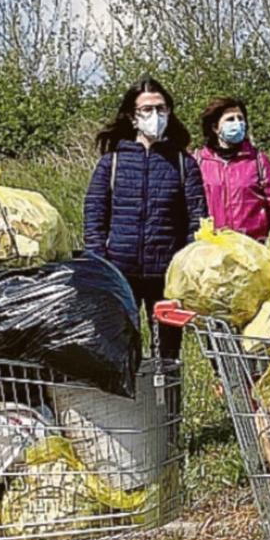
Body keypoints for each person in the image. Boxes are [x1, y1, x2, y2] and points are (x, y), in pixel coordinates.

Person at [84, 78, 206, 361]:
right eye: (147, 110)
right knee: (121, 348)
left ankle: (169, 405)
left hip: (167, 276)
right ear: (133, 117)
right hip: (120, 272)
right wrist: (100, 261)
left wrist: (185, 266)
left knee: (169, 354)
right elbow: (94, 216)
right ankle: (130, 405)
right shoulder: (111, 162)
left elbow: (197, 218)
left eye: (161, 109)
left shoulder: (183, 163)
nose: (155, 116)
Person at [195, 97, 270, 242]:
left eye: (240, 118)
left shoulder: (258, 160)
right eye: (230, 119)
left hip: (253, 246)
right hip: (212, 248)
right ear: (215, 127)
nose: (237, 123)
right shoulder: (199, 161)